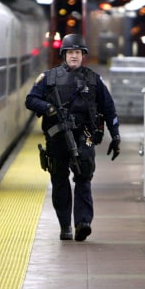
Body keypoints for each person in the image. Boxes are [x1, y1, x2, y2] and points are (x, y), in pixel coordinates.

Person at [25, 33, 121, 241]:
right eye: (70, 52)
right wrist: (47, 107)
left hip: (85, 135)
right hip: (57, 137)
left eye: (78, 52)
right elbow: (30, 100)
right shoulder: (48, 78)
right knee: (59, 181)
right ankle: (65, 225)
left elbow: (109, 108)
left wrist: (116, 136)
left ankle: (82, 223)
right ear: (64, 55)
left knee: (83, 177)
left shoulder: (94, 80)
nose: (74, 56)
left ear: (83, 55)